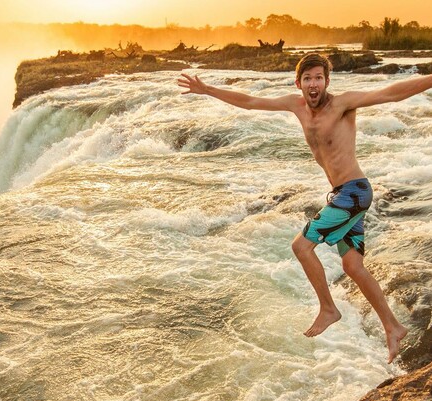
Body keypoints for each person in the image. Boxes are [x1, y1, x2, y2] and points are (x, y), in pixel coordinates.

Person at [177, 53, 432, 364]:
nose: (314, 84)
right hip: (342, 193)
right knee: (353, 267)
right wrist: (210, 90)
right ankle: (393, 327)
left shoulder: (342, 104)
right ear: (298, 83)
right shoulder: (295, 105)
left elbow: (391, 93)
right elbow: (250, 101)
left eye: (319, 78)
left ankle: (328, 308)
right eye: (308, 78)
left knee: (301, 246)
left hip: (355, 192)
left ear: (327, 81)